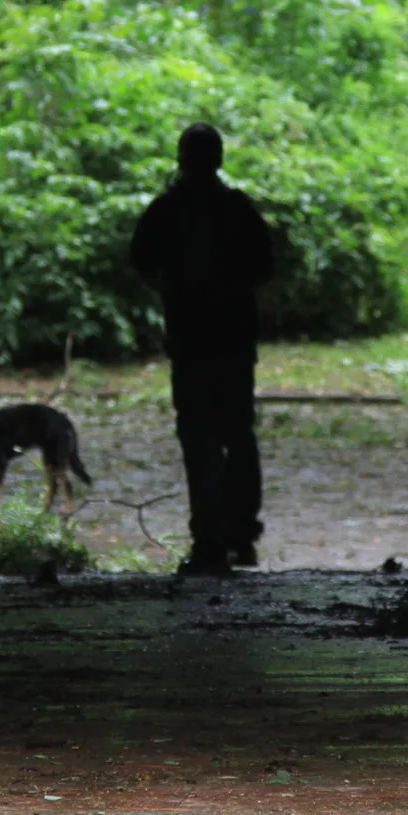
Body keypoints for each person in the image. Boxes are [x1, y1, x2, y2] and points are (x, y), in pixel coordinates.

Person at [130, 124, 275, 576]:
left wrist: (171, 291)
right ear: (219, 159)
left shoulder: (167, 210)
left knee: (200, 440)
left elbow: (139, 261)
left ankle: (209, 541)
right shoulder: (237, 210)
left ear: (181, 158)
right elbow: (265, 267)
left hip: (192, 342)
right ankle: (241, 537)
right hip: (232, 341)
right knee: (237, 436)